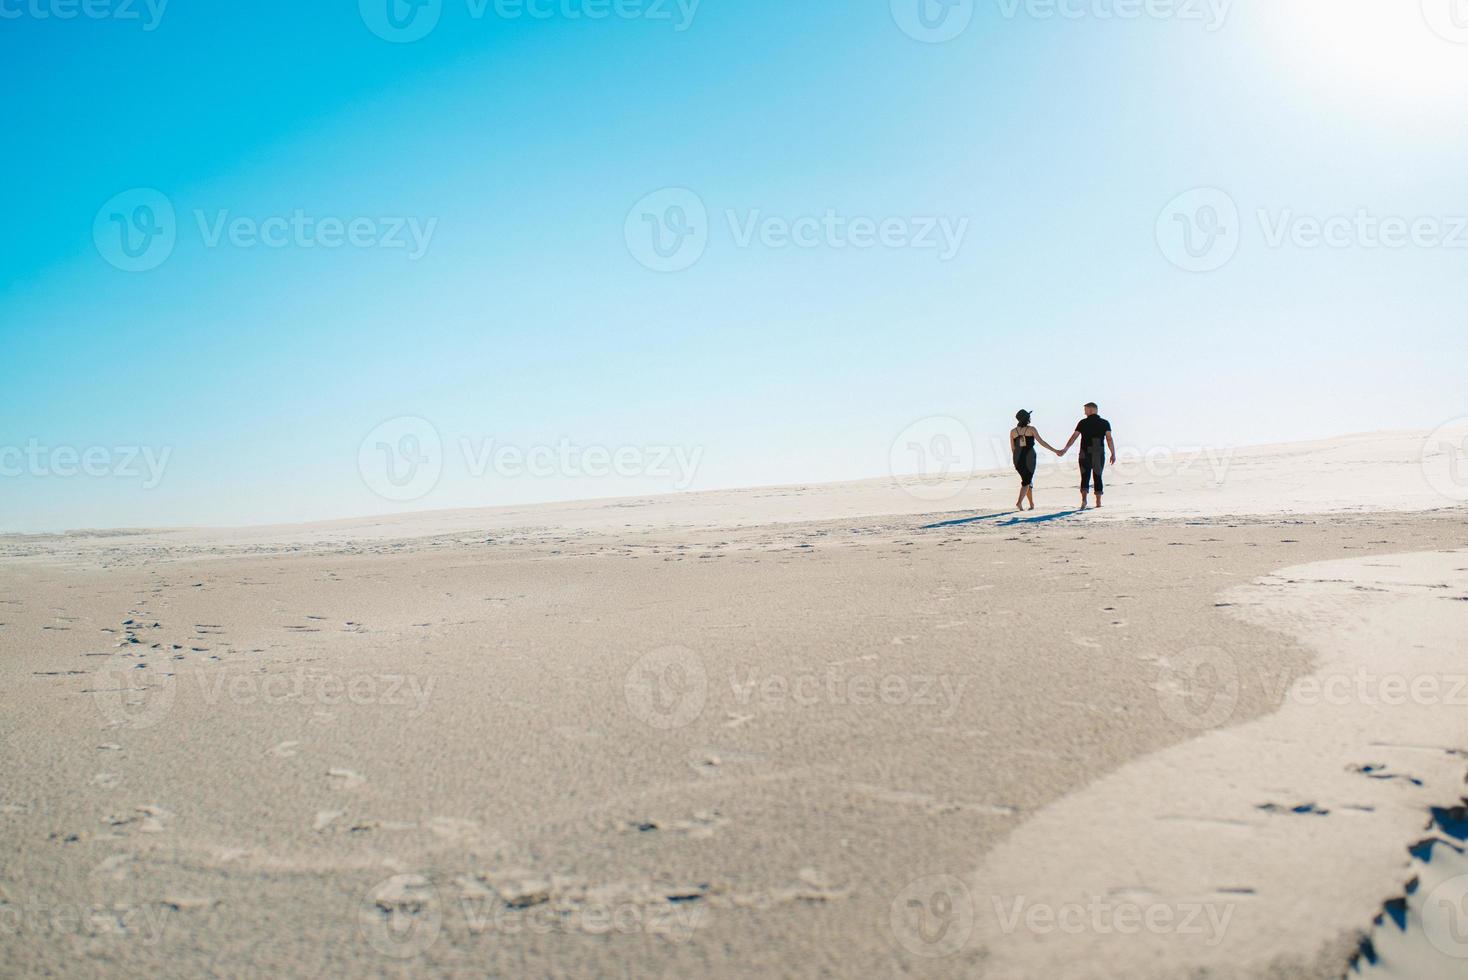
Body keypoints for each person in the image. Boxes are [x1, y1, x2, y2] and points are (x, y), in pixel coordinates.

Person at [1058, 402, 1116, 509]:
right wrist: (1113, 453)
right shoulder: (1105, 423)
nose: (1084, 412)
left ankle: (1084, 500)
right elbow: (1109, 438)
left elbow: (1074, 437)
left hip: (1084, 452)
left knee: (1085, 476)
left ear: (1091, 410)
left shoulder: (1083, 422)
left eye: (1085, 409)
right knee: (1097, 476)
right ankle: (1098, 503)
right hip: (1098, 452)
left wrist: (1065, 449)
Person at [1009, 410, 1061, 511]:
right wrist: (1055, 450)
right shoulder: (1031, 429)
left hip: (1017, 458)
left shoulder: (1012, 431)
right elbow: (1042, 442)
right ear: (1027, 418)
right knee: (1026, 481)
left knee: (1027, 480)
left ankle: (1031, 504)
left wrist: (1016, 459)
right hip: (1029, 457)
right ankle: (1019, 502)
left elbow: (1013, 448)